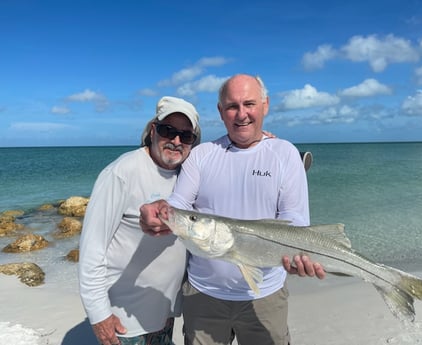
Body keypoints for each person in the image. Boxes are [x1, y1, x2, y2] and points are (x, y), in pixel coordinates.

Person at [140, 74, 325, 345]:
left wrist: (300, 258)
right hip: (203, 296)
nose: (242, 115)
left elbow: (295, 222)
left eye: (249, 104)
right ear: (220, 111)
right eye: (232, 106)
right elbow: (178, 204)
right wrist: (160, 211)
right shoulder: (202, 155)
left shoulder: (285, 154)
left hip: (265, 296)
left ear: (265, 105)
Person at [79, 96, 201, 345]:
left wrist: (262, 141)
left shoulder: (189, 175)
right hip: (124, 320)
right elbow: (92, 248)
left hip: (165, 316)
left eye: (185, 136)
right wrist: (98, 313)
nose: (176, 141)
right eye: (168, 131)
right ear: (153, 130)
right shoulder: (122, 172)